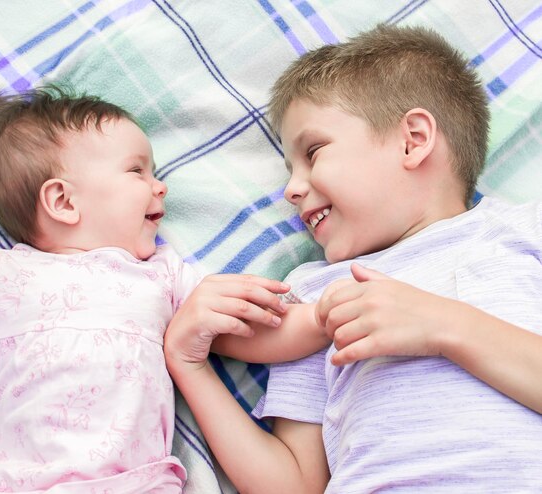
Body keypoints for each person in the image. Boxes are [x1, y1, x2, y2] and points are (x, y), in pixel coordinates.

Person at [164, 24, 542, 493]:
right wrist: (190, 366)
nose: (291, 189)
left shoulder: (524, 232)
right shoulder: (315, 295)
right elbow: (295, 485)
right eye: (290, 169)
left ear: (413, 139)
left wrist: (446, 326)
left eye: (314, 151)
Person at [0, 87, 324, 492]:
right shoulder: (3, 276)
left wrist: (322, 319)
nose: (160, 185)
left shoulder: (163, 276)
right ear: (62, 200)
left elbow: (250, 333)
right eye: (137, 171)